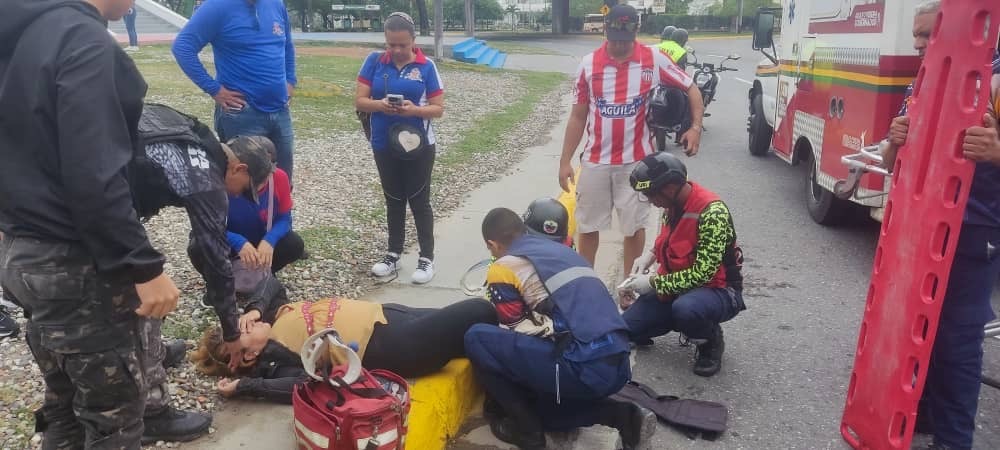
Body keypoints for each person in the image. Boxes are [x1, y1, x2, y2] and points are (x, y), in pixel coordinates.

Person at [0, 0, 193, 447]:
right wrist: (143, 266)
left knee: (63, 400)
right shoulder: (81, 38)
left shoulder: (19, 30)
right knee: (114, 417)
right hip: (73, 260)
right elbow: (94, 171)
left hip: (20, 251)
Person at [880, 3, 1000, 449]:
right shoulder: (921, 84)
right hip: (919, 228)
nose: (917, 45)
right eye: (915, 36)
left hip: (974, 231)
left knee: (956, 342)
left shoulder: (995, 81)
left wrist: (996, 151)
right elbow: (892, 163)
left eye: (927, 35)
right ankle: (921, 415)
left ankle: (953, 440)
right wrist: (894, 143)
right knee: (917, 330)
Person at [464, 208, 656, 450]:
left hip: (583, 366)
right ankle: (623, 416)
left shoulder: (503, 266)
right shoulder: (562, 251)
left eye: (490, 249)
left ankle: (527, 432)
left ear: (493, 244)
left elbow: (514, 329)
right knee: (546, 412)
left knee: (477, 338)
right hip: (617, 363)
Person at [558, 4, 704, 281]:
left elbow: (691, 88)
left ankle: (629, 288)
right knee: (587, 228)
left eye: (625, 40)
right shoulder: (588, 65)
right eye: (613, 39)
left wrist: (695, 128)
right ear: (605, 31)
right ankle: (586, 288)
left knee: (633, 228)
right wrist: (565, 160)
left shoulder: (654, 59)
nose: (619, 46)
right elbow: (578, 117)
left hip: (637, 165)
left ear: (637, 31)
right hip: (595, 162)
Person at [190, 295, 498, 403]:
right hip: (396, 344)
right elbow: (304, 385)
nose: (249, 324)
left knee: (476, 335)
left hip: (388, 315)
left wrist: (255, 309)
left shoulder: (271, 317)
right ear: (248, 355)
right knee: (479, 310)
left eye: (243, 323)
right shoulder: (275, 357)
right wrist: (246, 385)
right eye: (244, 333)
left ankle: (505, 376)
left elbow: (270, 285)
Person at [618, 152, 745, 377]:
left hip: (717, 291)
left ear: (668, 188)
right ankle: (668, 320)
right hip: (676, 289)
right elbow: (669, 242)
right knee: (623, 329)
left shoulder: (712, 212)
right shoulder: (672, 205)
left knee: (687, 310)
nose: (650, 200)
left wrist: (653, 282)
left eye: (650, 194)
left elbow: (703, 274)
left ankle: (710, 340)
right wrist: (647, 257)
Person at [355, 12, 445, 284]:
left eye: (402, 45)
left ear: (414, 41)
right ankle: (393, 254)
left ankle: (426, 259)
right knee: (393, 200)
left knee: (419, 200)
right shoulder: (373, 61)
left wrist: (414, 110)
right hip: (384, 143)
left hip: (418, 145)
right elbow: (359, 101)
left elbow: (438, 109)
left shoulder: (426, 66)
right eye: (390, 44)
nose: (395, 50)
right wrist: (380, 105)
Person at [172, 0, 298, 182]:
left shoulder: (276, 3)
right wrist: (214, 89)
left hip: (280, 110)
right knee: (244, 185)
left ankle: (280, 212)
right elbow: (182, 47)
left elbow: (286, 45)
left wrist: (290, 81)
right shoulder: (216, 6)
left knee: (282, 181)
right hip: (242, 114)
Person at [222, 136, 305, 274]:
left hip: (261, 242)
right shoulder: (219, 182)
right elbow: (207, 226)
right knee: (199, 245)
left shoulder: (279, 177)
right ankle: (220, 280)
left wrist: (269, 240)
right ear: (239, 170)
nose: (261, 185)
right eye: (256, 181)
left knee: (294, 244)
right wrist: (237, 242)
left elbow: (285, 219)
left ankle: (262, 274)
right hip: (229, 243)